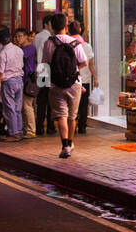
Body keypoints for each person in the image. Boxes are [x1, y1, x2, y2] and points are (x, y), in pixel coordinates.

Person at [41, 13, 87, 158]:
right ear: (66, 26)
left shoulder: (49, 43)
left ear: (51, 27)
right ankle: (70, 142)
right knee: (72, 117)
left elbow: (45, 64)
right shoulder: (74, 42)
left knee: (61, 115)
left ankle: (64, 145)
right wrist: (73, 70)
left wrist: (43, 84)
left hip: (55, 84)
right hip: (74, 83)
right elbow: (84, 61)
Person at [0, 27, 25, 142]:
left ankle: (13, 133)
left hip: (8, 82)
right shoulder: (19, 50)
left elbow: (0, 72)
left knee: (9, 108)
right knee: (18, 108)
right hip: (19, 81)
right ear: (10, 38)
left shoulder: (4, 52)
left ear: (0, 40)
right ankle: (19, 131)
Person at [69, 20, 97, 134]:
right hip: (84, 79)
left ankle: (72, 126)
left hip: (71, 79)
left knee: (72, 104)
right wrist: (95, 78)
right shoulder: (87, 46)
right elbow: (90, 64)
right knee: (83, 105)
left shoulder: (67, 44)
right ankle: (82, 126)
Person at [32, 15, 55, 136]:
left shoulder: (37, 37)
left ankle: (40, 126)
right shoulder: (48, 37)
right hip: (46, 69)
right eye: (52, 23)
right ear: (46, 24)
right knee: (49, 100)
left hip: (40, 69)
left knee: (41, 100)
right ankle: (50, 127)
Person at [18, 29, 38, 138]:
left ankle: (31, 130)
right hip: (23, 80)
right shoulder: (21, 49)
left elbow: (21, 57)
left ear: (26, 37)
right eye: (16, 36)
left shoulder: (30, 48)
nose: (18, 38)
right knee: (23, 106)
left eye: (20, 36)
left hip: (28, 80)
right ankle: (26, 129)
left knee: (27, 105)